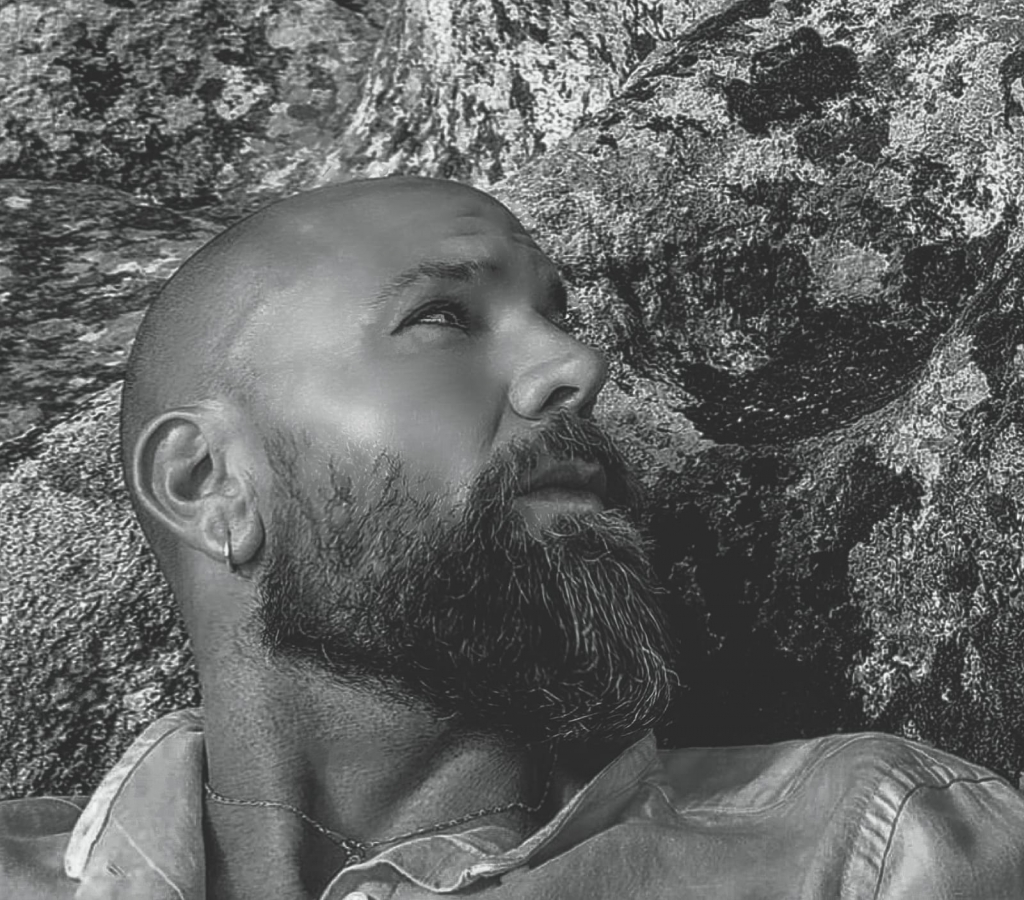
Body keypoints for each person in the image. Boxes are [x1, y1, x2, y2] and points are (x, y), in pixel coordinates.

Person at [2, 176, 1023, 900]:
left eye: (557, 317)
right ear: (208, 484)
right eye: (444, 317)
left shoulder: (872, 848)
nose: (579, 366)